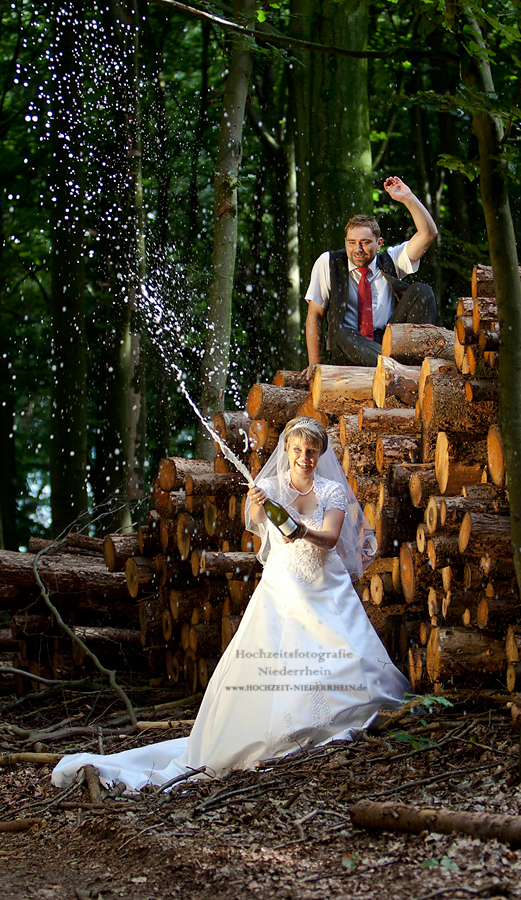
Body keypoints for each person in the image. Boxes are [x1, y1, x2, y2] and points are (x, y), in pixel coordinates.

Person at [52, 418, 409, 791]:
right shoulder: (268, 487)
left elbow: (332, 538)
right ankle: (283, 728)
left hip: (325, 584)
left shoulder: (332, 491)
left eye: (312, 451)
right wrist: (257, 504)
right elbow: (255, 522)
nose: (304, 457)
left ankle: (347, 712)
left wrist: (302, 530)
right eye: (298, 450)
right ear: (287, 450)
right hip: (283, 588)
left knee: (344, 650)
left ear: (321, 453)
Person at [304, 176, 438, 371]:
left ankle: (404, 364)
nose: (358, 249)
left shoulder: (391, 260)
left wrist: (407, 197)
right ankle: (397, 368)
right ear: (345, 242)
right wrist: (315, 366)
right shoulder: (328, 262)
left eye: (365, 242)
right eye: (351, 242)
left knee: (422, 291)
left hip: (390, 343)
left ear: (379, 243)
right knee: (339, 333)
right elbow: (314, 316)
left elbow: (428, 234)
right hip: (349, 348)